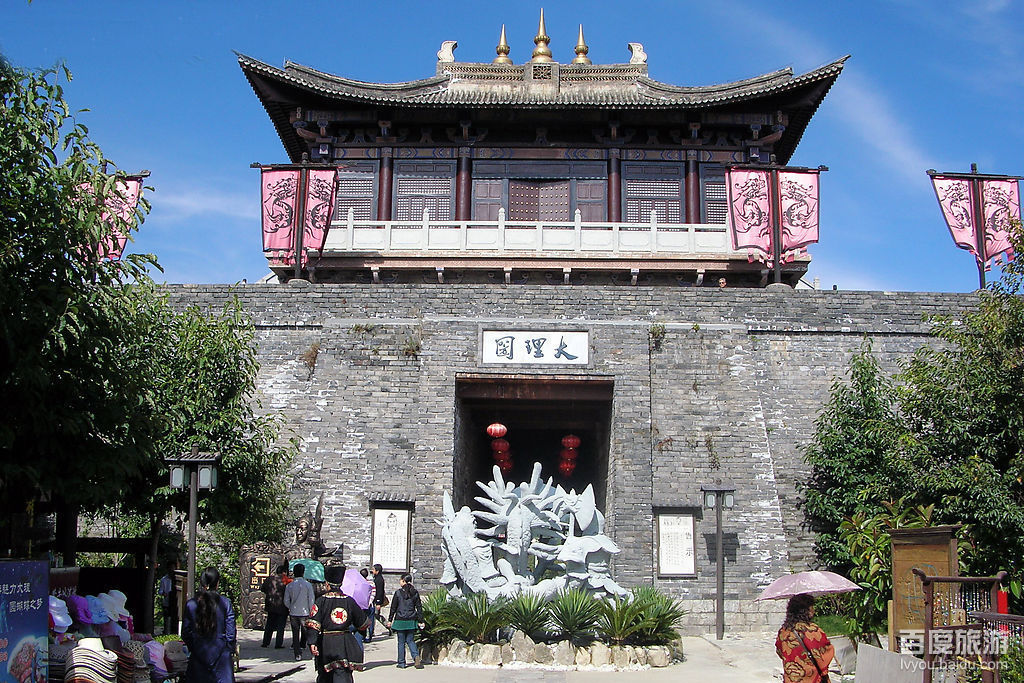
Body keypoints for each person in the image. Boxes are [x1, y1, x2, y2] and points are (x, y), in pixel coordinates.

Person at [306, 565, 367, 683]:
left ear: (327, 584)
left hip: (326, 643)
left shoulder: (321, 601)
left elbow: (313, 624)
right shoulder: (349, 601)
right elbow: (363, 623)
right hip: (344, 643)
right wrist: (360, 632)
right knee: (343, 675)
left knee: (325, 676)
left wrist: (312, 642)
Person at [182, 567, 236, 683]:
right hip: (221, 657)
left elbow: (186, 633)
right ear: (217, 583)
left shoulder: (191, 604)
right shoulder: (225, 603)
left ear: (202, 583)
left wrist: (195, 647)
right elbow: (231, 634)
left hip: (198, 657)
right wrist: (228, 648)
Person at [775, 594, 835, 683]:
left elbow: (779, 651)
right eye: (812, 607)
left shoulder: (783, 631)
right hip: (812, 678)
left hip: (791, 679)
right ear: (806, 611)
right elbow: (825, 652)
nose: (814, 610)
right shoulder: (812, 630)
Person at [386, 575, 423, 669]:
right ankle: (416, 656)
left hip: (400, 620)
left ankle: (401, 662)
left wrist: (390, 620)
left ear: (403, 581)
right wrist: (421, 620)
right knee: (410, 640)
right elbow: (419, 607)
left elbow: (393, 608)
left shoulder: (398, 593)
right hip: (411, 620)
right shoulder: (415, 592)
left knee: (401, 642)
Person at [284, 563, 315, 661]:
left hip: (294, 612)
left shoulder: (289, 585)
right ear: (303, 572)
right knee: (307, 633)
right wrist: (311, 611)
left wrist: (290, 607)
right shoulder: (308, 585)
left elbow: (286, 600)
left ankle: (297, 654)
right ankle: (312, 652)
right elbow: (311, 600)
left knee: (295, 634)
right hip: (305, 612)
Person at [260, 564, 289, 648]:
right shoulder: (286, 580)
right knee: (281, 626)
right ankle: (278, 644)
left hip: (271, 605)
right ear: (284, 572)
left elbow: (263, 589)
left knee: (269, 624)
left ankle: (265, 642)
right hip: (282, 606)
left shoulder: (269, 579)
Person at [159, 559, 179, 636]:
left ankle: (174, 632)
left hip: (175, 602)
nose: (172, 570)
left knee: (175, 617)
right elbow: (160, 591)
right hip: (167, 602)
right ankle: (167, 632)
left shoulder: (177, 579)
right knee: (167, 618)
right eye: (170, 568)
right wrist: (164, 593)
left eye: (173, 568)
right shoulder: (164, 580)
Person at [370, 565, 387, 637]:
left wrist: (378, 602)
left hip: (377, 601)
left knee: (375, 615)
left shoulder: (379, 579)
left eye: (373, 570)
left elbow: (380, 591)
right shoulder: (376, 578)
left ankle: (387, 625)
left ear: (377, 571)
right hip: (375, 600)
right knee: (375, 616)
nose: (372, 571)